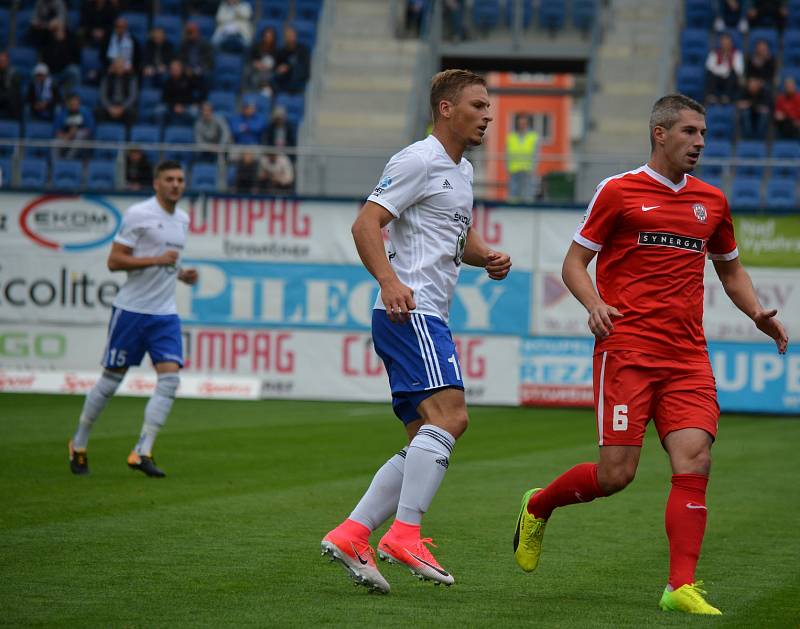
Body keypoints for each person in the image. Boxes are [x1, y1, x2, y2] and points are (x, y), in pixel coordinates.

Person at [512, 93, 789, 615]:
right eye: (689, 132)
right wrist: (594, 304)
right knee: (616, 474)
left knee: (695, 459)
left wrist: (757, 313)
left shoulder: (712, 201)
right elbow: (574, 263)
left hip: (686, 356)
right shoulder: (618, 192)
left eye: (703, 134)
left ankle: (679, 585)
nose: (700, 143)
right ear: (659, 133)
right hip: (628, 351)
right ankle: (538, 505)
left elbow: (730, 270)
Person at [320, 69, 511, 593]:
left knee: (423, 441)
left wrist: (486, 255)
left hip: (425, 316)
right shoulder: (417, 159)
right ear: (446, 109)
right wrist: (389, 281)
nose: (488, 115)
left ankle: (353, 531)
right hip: (412, 313)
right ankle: (404, 533)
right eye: (478, 105)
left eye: (489, 107)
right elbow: (365, 224)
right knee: (452, 418)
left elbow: (456, 237)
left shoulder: (462, 171)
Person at [68, 160, 198, 478]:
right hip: (132, 311)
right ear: (156, 183)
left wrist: (181, 274)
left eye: (180, 179)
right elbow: (114, 262)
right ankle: (79, 441)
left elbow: (166, 264)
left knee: (170, 378)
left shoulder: (182, 218)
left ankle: (142, 450)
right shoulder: (138, 214)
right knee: (111, 380)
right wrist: (157, 259)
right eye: (169, 179)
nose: (176, 185)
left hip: (165, 313)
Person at [505, 114, 539, 203]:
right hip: (514, 169)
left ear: (527, 124)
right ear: (517, 124)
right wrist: (507, 166)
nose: (522, 125)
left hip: (527, 169)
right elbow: (507, 153)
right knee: (513, 195)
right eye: (520, 123)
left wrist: (534, 167)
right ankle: (512, 211)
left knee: (528, 194)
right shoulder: (511, 136)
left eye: (524, 123)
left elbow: (536, 153)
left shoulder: (533, 137)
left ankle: (527, 210)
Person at [98, 57, 138, 126]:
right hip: (110, 105)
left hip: (124, 106)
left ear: (125, 67)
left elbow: (132, 96)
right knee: (98, 112)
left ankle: (127, 135)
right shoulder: (107, 77)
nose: (119, 68)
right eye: (117, 65)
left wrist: (122, 108)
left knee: (132, 113)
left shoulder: (131, 78)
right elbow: (102, 96)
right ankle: (102, 133)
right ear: (113, 66)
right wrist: (110, 107)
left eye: (121, 66)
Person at [705, 32, 743, 104]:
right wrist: (722, 70)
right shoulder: (715, 53)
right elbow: (709, 67)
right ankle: (711, 96)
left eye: (727, 43)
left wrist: (727, 65)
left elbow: (739, 70)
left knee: (734, 75)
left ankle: (726, 97)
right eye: (723, 43)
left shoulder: (737, 54)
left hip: (729, 80)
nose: (725, 45)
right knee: (710, 74)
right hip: (717, 78)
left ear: (731, 43)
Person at [54, 92, 95, 159]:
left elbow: (90, 129)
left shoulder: (85, 112)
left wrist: (74, 133)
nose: (75, 106)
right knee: (55, 142)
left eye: (77, 103)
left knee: (80, 135)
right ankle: (56, 164)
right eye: (72, 104)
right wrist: (65, 136)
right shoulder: (62, 114)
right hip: (66, 137)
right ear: (68, 104)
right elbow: (56, 130)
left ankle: (68, 159)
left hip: (81, 138)